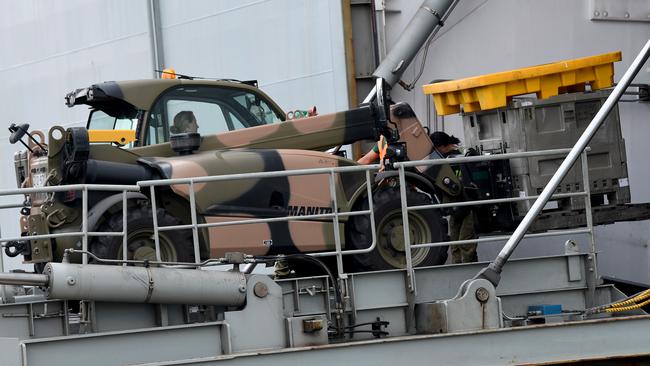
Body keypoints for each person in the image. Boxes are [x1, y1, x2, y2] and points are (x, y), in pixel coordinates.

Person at [429, 131, 478, 264]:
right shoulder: (448, 158)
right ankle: (457, 267)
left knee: (465, 240)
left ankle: (469, 267)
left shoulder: (463, 155)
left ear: (444, 146)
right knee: (455, 242)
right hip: (454, 206)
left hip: (467, 205)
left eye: (436, 149)